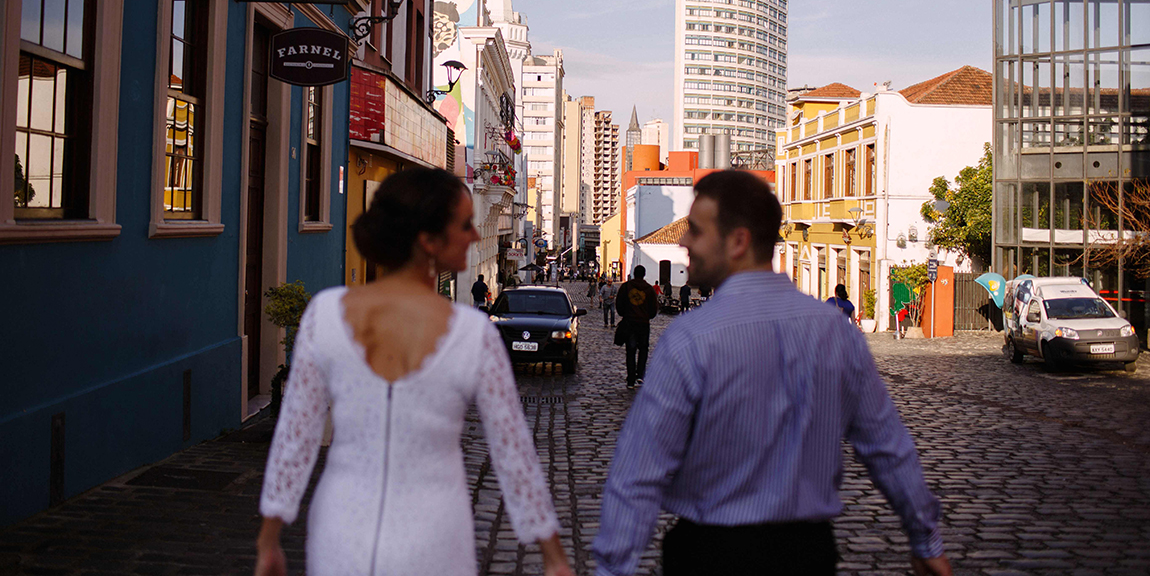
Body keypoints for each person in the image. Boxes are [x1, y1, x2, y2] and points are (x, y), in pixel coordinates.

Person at [592, 170, 950, 576]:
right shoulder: (835, 333)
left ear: (739, 241)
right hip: (807, 555)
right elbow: (888, 448)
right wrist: (926, 539)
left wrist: (611, 568)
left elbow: (639, 472)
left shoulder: (691, 340)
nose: (682, 241)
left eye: (695, 230)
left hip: (711, 555)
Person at [256, 167, 573, 576]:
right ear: (427, 240)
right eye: (464, 224)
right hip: (435, 539)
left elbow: (296, 436)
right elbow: (513, 452)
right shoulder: (473, 334)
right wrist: (553, 554)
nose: (476, 235)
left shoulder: (325, 316)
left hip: (341, 533)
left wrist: (269, 538)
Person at [614, 265, 658, 389]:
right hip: (643, 324)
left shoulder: (626, 287)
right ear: (644, 274)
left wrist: (625, 314)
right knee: (643, 350)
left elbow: (619, 304)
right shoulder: (649, 289)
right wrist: (646, 316)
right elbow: (654, 309)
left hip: (629, 322)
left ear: (634, 273)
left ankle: (631, 379)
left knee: (631, 350)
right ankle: (640, 375)